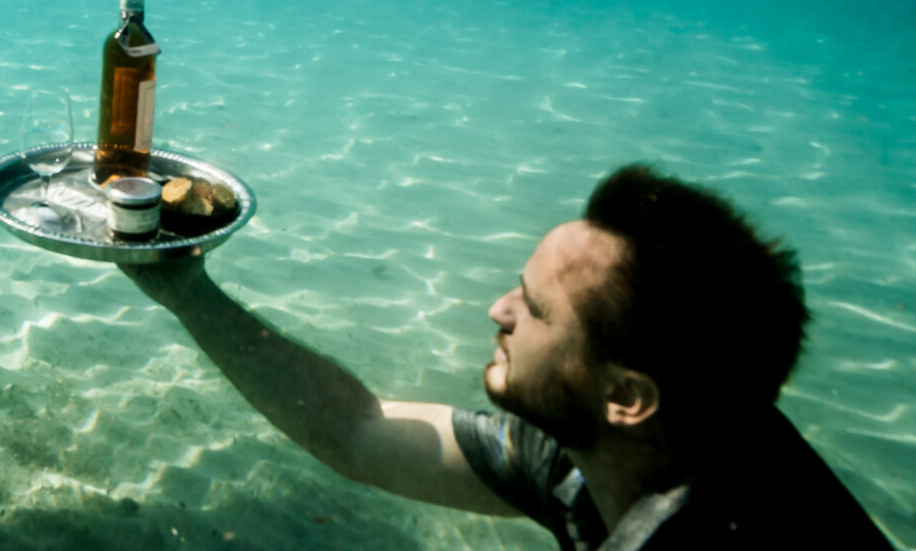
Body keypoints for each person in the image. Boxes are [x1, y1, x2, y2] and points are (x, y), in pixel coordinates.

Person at [123, 164, 892, 548]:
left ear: (628, 395)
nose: (499, 310)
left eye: (534, 307)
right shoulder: (615, 447)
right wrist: (189, 292)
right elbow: (359, 430)